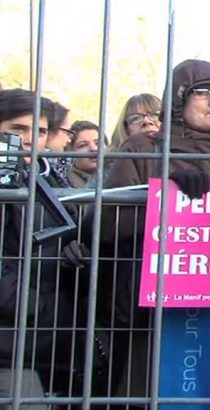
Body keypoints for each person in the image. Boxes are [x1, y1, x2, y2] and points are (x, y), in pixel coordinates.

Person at [93, 59, 210, 403]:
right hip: (153, 315)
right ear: (178, 99)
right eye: (203, 92)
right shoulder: (144, 149)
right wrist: (163, 198)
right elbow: (105, 223)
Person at [0, 89, 87, 407]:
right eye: (17, 129)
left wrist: (72, 254)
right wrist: (44, 308)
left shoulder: (43, 181)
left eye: (38, 131)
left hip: (40, 341)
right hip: (12, 343)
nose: (28, 140)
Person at [66, 120, 101, 188]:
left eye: (97, 143)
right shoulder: (66, 183)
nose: (94, 149)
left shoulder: (114, 176)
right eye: (83, 145)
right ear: (70, 150)